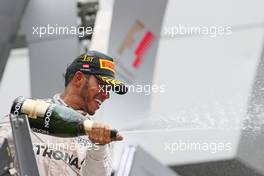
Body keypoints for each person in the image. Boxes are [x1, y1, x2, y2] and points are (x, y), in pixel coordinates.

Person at [0, 50, 128, 176]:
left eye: (109, 89)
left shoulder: (102, 138)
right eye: (102, 85)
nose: (106, 95)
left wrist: (99, 146)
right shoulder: (29, 111)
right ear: (78, 78)